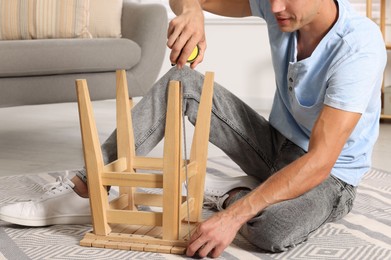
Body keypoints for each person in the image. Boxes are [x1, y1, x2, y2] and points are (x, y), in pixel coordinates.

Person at [0, 0, 387, 258]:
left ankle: (237, 196)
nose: (274, 8)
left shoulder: (359, 46)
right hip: (276, 147)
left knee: (272, 231)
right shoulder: (279, 6)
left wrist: (235, 215)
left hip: (331, 176)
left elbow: (321, 160)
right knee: (182, 80)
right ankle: (87, 188)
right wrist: (195, 12)